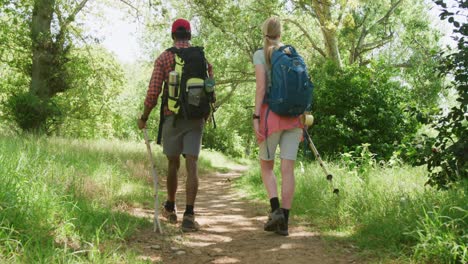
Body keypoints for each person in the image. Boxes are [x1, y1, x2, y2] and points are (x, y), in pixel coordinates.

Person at [138, 18, 214, 232]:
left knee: (173, 163)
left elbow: (153, 92)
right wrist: (207, 110)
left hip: (172, 116)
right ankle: (189, 215)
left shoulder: (164, 58)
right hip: (196, 116)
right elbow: (210, 85)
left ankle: (170, 208)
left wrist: (144, 116)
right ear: (189, 35)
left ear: (173, 35)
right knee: (192, 164)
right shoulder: (201, 57)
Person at [252, 17, 305, 236]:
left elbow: (261, 88)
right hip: (294, 118)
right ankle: (285, 221)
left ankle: (275, 211)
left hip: (270, 117)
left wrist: (256, 116)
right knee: (288, 169)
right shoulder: (293, 54)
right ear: (280, 33)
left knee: (266, 166)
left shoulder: (260, 54)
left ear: (264, 32)